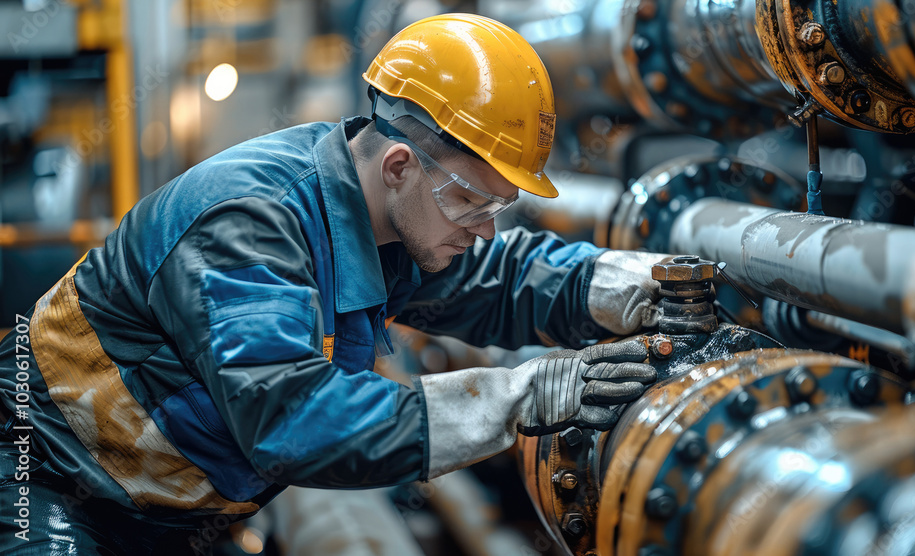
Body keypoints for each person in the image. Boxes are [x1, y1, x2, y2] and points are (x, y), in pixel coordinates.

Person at [0, 13, 670, 555]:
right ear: (401, 164)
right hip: (45, 476)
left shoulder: (394, 218)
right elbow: (291, 417)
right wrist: (514, 397)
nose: (484, 229)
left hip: (170, 509)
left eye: (497, 210)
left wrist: (623, 283)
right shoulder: (247, 223)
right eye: (474, 205)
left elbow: (497, 276)